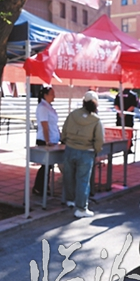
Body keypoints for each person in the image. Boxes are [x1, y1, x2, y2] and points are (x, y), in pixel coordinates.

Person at [61, 91, 104, 219]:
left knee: (68, 176)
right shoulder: (96, 120)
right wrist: (96, 150)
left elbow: (64, 131)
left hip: (70, 149)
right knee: (83, 180)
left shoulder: (73, 114)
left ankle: (70, 200)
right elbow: (99, 139)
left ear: (83, 102)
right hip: (86, 152)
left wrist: (66, 141)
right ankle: (81, 208)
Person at [32, 86, 60, 196]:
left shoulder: (49, 107)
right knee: (45, 165)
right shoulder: (43, 107)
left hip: (53, 138)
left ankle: (44, 186)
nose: (54, 96)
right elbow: (45, 125)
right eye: (52, 94)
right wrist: (48, 141)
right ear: (45, 95)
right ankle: (39, 187)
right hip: (45, 140)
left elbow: (54, 125)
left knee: (49, 166)